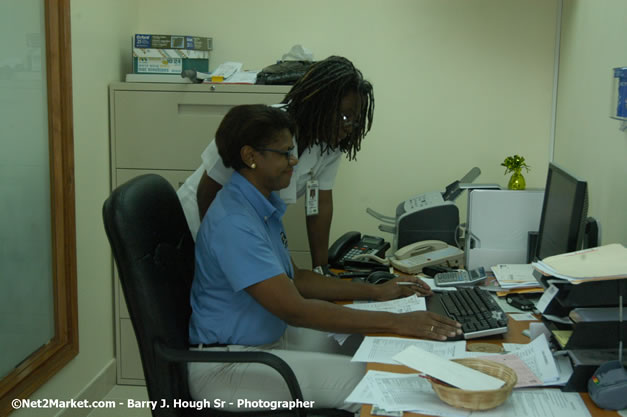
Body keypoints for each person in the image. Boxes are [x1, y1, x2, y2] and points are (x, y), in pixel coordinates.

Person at [188, 104, 461, 413]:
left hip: (266, 341)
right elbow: (297, 311)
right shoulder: (234, 223)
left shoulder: (259, 206)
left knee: (366, 345)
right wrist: (399, 322)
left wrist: (377, 291)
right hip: (227, 367)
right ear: (251, 156)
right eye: (284, 153)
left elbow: (298, 279)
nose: (294, 161)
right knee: (376, 386)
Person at [177, 55, 375, 271]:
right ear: (321, 105)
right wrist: (215, 246)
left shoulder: (330, 143)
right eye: (345, 117)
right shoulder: (263, 128)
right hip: (194, 223)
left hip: (243, 231)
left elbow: (319, 204)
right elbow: (208, 189)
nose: (350, 128)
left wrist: (322, 269)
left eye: (355, 121)